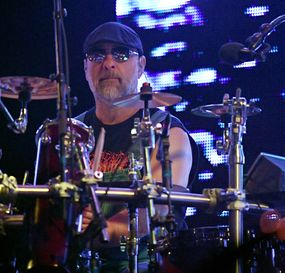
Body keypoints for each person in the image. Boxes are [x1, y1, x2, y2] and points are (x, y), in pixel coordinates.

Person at [75, 21, 196, 272]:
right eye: (97, 54)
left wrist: (101, 229)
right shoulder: (71, 133)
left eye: (120, 54)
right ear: (86, 66)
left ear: (141, 65)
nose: (108, 63)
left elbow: (161, 207)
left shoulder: (168, 131)